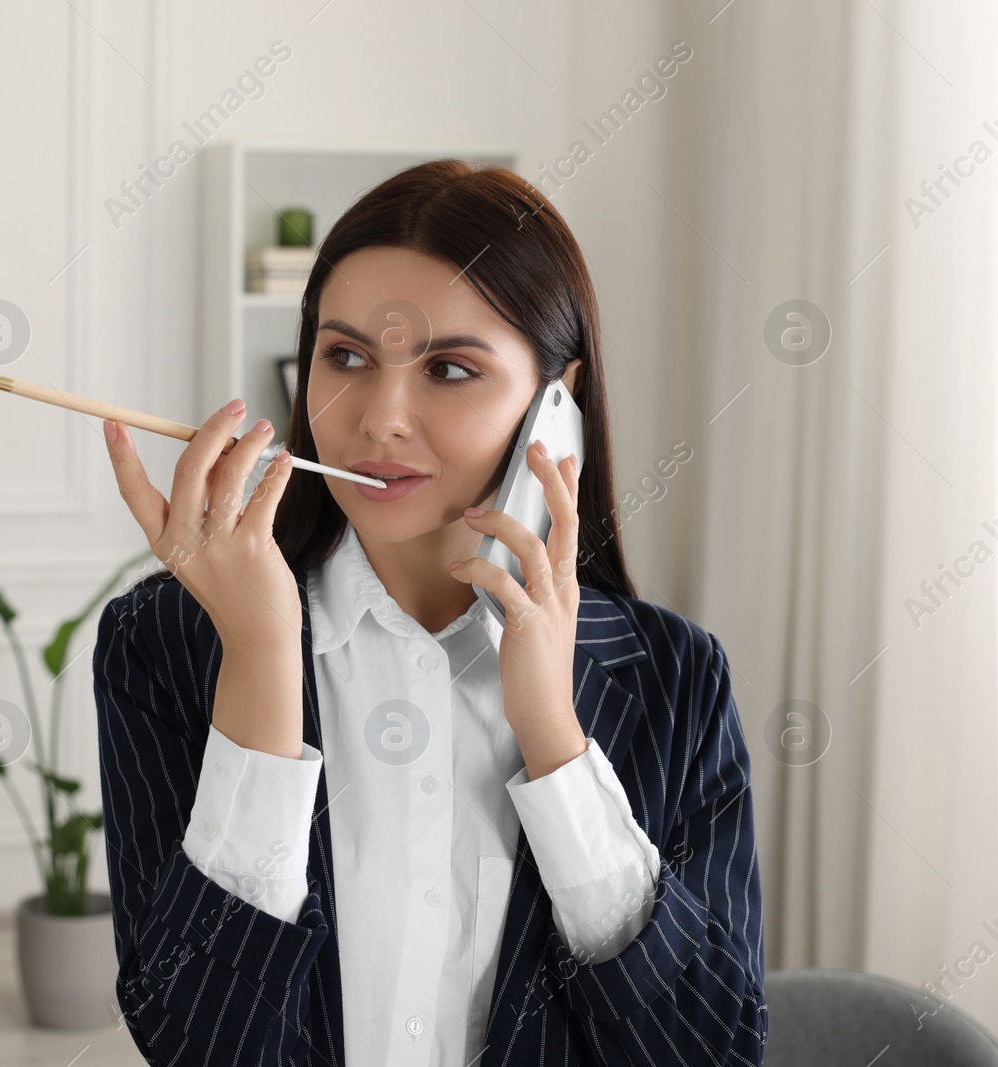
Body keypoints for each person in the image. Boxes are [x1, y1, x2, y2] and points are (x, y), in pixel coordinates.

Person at [93, 159, 765, 1066]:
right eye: (346, 358)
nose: (381, 419)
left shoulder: (675, 677)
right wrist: (260, 665)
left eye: (449, 368)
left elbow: (713, 1050)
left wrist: (555, 741)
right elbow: (193, 1039)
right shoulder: (165, 644)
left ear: (555, 402)